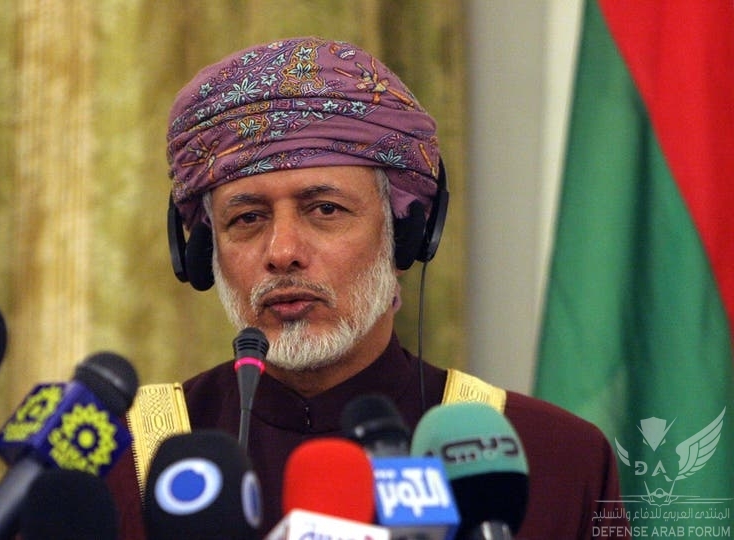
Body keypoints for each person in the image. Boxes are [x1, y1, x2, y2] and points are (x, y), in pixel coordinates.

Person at [106, 36, 631, 539]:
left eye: (324, 209)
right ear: (204, 253)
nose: (282, 251)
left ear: (406, 234)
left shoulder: (555, 459)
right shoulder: (121, 460)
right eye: (247, 218)